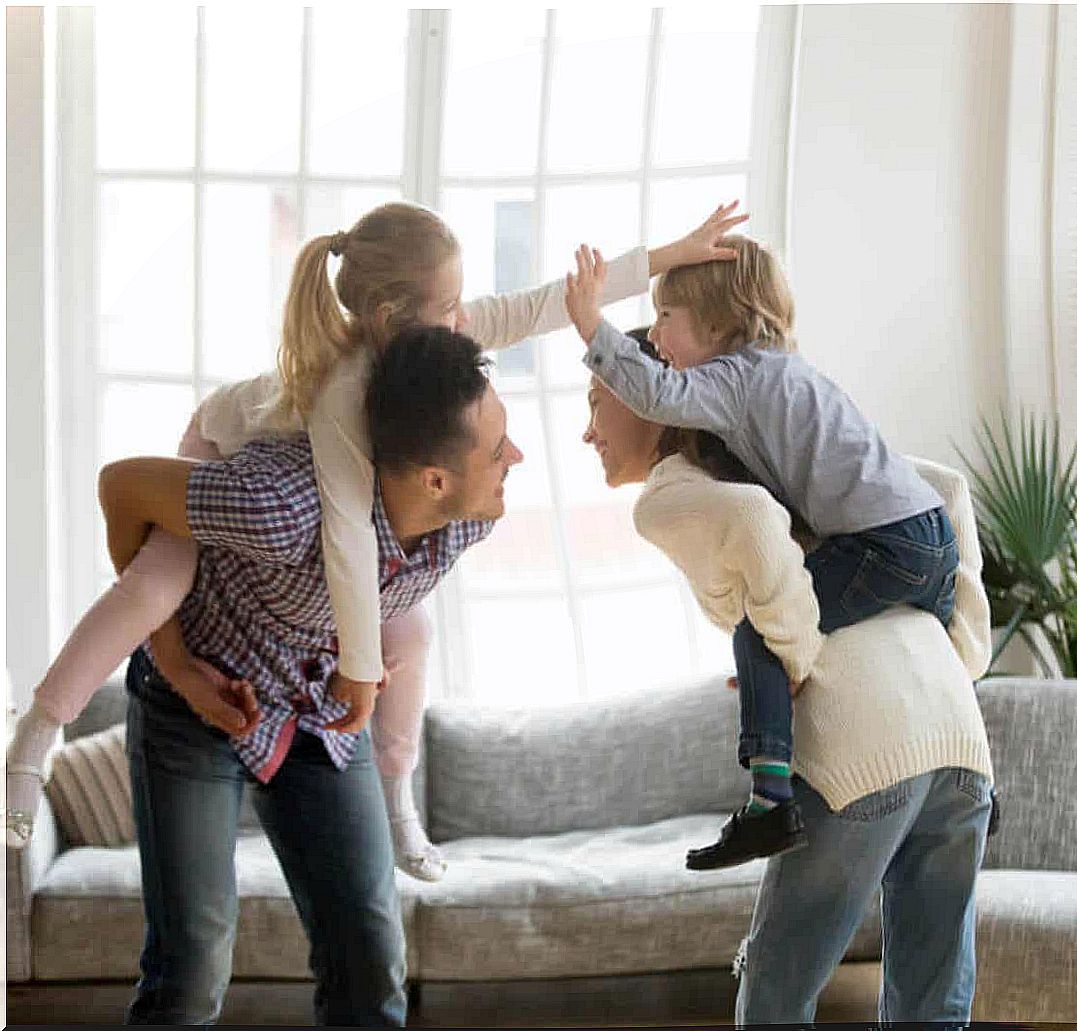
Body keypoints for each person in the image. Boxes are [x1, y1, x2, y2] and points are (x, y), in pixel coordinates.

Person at [5, 200, 746, 883]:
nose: (464, 316)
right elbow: (348, 540)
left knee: (413, 628)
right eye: (449, 302)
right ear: (394, 313)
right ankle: (39, 731)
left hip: (304, 502)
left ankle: (398, 800)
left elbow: (541, 304)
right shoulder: (343, 392)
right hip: (215, 445)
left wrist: (669, 253)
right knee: (157, 586)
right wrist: (359, 669)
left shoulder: (430, 338)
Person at [99, 326, 513, 1024]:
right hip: (196, 700)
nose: (517, 460)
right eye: (499, 451)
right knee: (192, 968)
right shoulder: (275, 506)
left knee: (370, 956)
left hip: (319, 709)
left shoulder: (469, 519)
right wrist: (173, 661)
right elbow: (121, 488)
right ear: (435, 478)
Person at [580, 342, 997, 1024]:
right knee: (933, 1000)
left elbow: (751, 522)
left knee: (774, 989)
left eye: (597, 403)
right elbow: (945, 488)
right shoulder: (779, 455)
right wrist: (964, 651)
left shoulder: (672, 491)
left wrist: (794, 654)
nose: (588, 430)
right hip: (956, 736)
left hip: (860, 751)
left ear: (647, 395)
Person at [564, 237, 959, 871]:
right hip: (931, 534)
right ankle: (979, 794)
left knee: (760, 638)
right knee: (929, 658)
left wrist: (590, 322)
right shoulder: (790, 371)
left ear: (717, 324)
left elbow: (658, 395)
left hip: (882, 543)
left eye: (666, 318)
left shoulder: (735, 379)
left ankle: (769, 802)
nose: (658, 337)